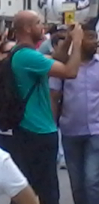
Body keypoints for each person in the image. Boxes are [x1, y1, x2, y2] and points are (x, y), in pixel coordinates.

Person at [10, 11, 84, 204]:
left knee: (29, 185)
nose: (42, 26)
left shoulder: (23, 54)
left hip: (30, 129)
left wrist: (67, 40)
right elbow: (70, 71)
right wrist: (77, 42)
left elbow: (57, 59)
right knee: (46, 191)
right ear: (27, 28)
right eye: (38, 22)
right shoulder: (27, 56)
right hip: (37, 131)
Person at [49, 21, 99, 204]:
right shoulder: (65, 67)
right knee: (77, 183)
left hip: (96, 131)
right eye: (91, 37)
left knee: (92, 180)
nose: (95, 42)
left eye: (96, 37)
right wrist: (52, 127)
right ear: (79, 39)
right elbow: (54, 97)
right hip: (70, 131)